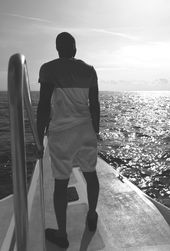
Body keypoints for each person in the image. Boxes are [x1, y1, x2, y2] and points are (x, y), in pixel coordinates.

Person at [37, 32, 100, 249]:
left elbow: (44, 105)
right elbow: (95, 104)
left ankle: (62, 234)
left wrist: (38, 136)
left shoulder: (48, 69)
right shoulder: (89, 70)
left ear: (57, 49)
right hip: (86, 131)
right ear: (74, 49)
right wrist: (96, 131)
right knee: (91, 175)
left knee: (61, 183)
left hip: (62, 134)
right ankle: (92, 215)